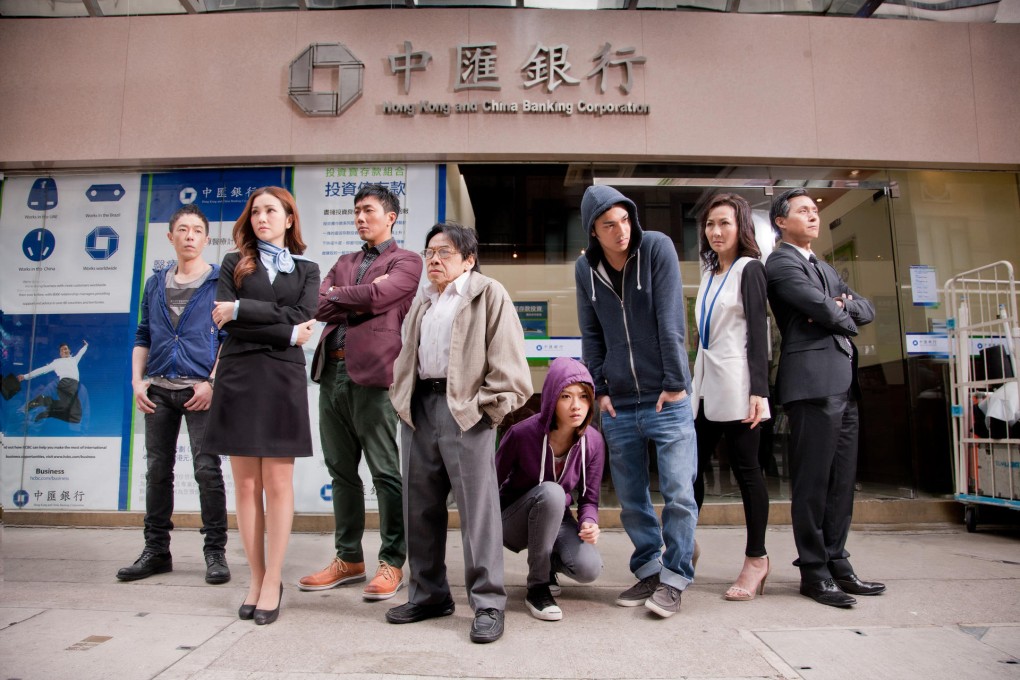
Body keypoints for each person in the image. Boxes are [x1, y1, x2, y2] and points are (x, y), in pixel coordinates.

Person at [387, 221, 532, 644]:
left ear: (468, 259)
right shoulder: (423, 301)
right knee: (419, 509)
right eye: (429, 251)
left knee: (477, 514)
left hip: (466, 412)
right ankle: (430, 595)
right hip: (419, 410)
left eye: (445, 252)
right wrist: (402, 400)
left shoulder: (488, 294)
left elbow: (510, 367)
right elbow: (406, 356)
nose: (433, 259)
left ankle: (488, 603)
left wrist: (486, 411)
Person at [574, 184, 698, 619]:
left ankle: (676, 577)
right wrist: (600, 391)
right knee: (630, 499)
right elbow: (591, 334)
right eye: (609, 224)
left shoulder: (657, 248)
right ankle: (649, 566)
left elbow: (670, 317)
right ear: (594, 231)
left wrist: (675, 381)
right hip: (620, 403)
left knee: (679, 494)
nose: (621, 230)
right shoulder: (584, 269)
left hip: (668, 397)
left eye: (625, 219)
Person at [299, 184, 422, 600]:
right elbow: (318, 305)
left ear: (391, 216)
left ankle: (392, 561)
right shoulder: (344, 260)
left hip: (373, 378)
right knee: (340, 471)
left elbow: (385, 294)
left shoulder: (407, 261)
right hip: (330, 373)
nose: (360, 218)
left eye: (368, 210)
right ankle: (348, 558)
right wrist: (353, 296)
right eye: (355, 212)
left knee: (386, 473)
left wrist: (350, 296)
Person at [203, 186, 320, 625]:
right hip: (239, 374)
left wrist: (244, 311)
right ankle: (255, 578)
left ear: (290, 218)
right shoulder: (234, 263)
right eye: (255, 212)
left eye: (271, 211)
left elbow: (304, 316)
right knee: (247, 486)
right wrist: (284, 328)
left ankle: (274, 579)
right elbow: (224, 319)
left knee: (277, 483)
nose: (261, 218)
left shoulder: (308, 269)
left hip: (282, 378)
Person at [765, 188, 884, 608]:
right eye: (803, 211)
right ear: (781, 221)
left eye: (815, 211)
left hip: (843, 382)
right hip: (811, 383)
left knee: (841, 482)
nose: (814, 216)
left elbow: (864, 309)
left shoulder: (823, 265)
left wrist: (841, 305)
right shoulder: (779, 263)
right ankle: (814, 571)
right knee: (813, 482)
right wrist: (838, 307)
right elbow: (830, 311)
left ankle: (838, 561)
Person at [116, 204, 230, 585]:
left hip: (200, 390)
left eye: (197, 230)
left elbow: (229, 341)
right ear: (170, 237)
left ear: (206, 238)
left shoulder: (218, 283)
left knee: (207, 471)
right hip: (159, 390)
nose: (190, 236)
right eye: (183, 229)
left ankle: (215, 552)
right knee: (156, 472)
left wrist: (211, 383)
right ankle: (156, 551)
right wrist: (137, 382)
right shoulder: (155, 282)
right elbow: (143, 335)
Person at [690, 193, 770, 601]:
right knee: (690, 472)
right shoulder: (709, 272)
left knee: (747, 472)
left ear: (741, 226)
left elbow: (759, 333)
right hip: (704, 386)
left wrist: (760, 391)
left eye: (724, 223)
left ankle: (756, 560)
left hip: (739, 385)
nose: (716, 231)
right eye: (709, 225)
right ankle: (686, 547)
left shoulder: (749, 269)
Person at [495, 357, 605, 622]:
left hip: (556, 516)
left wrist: (590, 521)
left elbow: (589, 498)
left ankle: (550, 563)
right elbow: (490, 483)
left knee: (589, 568)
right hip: (512, 519)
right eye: (566, 396)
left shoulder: (593, 441)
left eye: (583, 396)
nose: (576, 406)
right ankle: (538, 587)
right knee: (553, 492)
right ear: (552, 398)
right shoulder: (522, 434)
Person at [19, 340, 88, 423]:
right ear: (60, 353)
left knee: (75, 416)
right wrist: (25, 376)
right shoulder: (57, 362)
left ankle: (45, 408)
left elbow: (81, 352)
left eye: (65, 349)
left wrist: (86, 346)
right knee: (71, 412)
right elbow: (42, 370)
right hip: (65, 383)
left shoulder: (74, 360)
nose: (64, 351)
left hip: (74, 386)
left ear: (69, 350)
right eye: (62, 350)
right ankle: (29, 409)